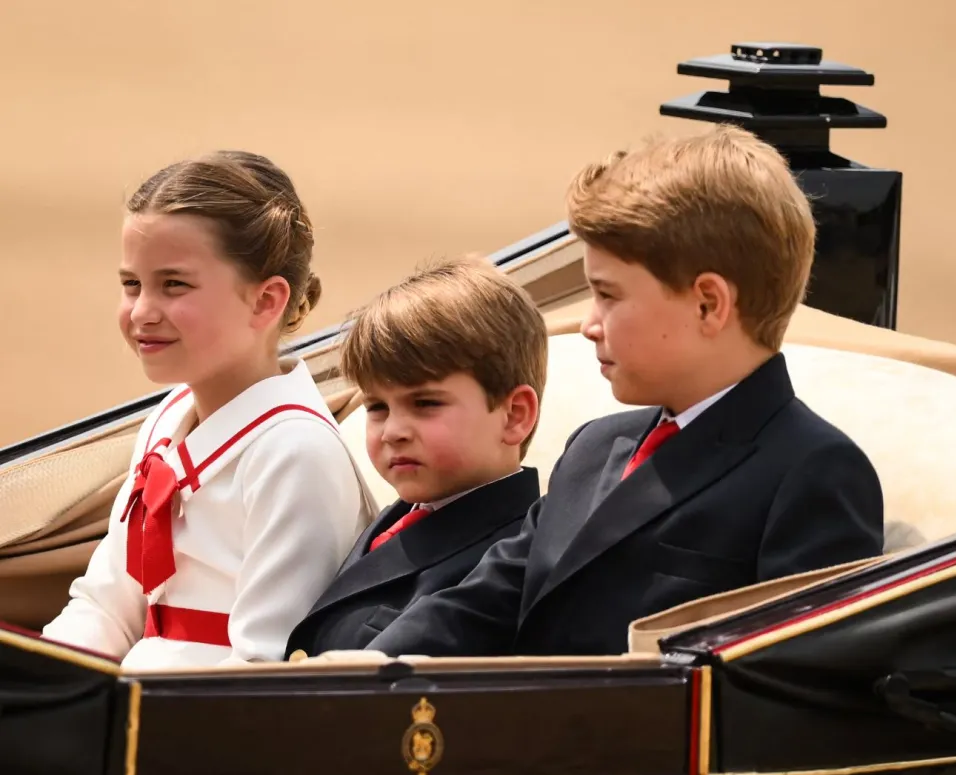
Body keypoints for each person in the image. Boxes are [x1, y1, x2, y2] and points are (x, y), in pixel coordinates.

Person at [362, 125, 885, 658]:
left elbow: (796, 691)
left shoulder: (812, 471)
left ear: (708, 304)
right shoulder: (594, 447)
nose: (589, 324)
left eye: (607, 295)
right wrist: (355, 673)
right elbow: (483, 602)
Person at [41, 151, 377, 669]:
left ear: (266, 301)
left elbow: (261, 668)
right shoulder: (166, 419)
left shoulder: (295, 454)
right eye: (131, 284)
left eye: (174, 284)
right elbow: (108, 606)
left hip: (202, 730)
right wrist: (38, 685)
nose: (142, 311)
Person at [285, 257, 546, 658]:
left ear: (514, 415)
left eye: (425, 403)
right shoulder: (394, 519)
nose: (393, 431)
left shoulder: (512, 558)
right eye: (377, 407)